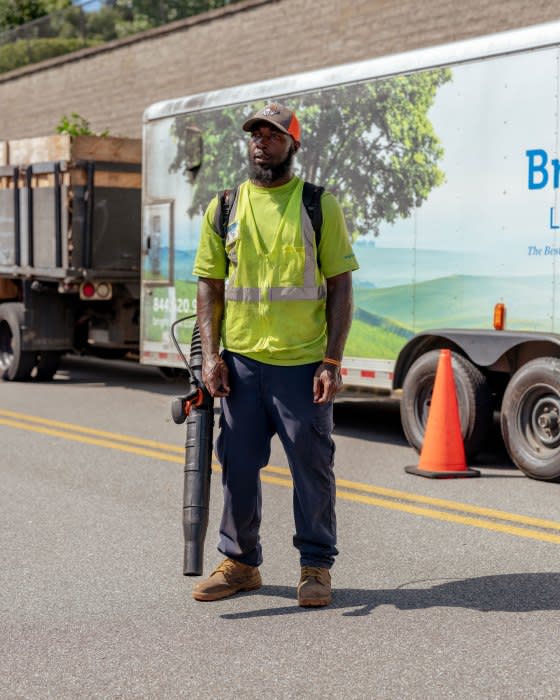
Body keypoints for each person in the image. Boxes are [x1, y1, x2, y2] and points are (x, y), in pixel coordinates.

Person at [191, 102, 359, 607]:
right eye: (255, 135)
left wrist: (331, 360)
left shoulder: (317, 205)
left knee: (312, 469)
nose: (261, 142)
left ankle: (315, 567)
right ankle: (241, 564)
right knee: (237, 466)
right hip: (240, 365)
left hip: (302, 367)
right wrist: (210, 355)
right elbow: (210, 286)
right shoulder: (224, 207)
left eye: (273, 134)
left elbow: (340, 286)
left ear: (292, 144)